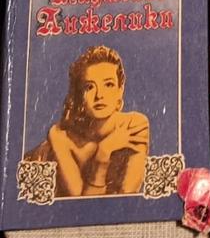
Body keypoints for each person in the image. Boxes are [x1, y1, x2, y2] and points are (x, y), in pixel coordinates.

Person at [26, 46, 149, 197]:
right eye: (89, 87)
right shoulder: (60, 136)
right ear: (80, 94)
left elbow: (128, 196)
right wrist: (103, 153)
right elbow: (83, 204)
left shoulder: (135, 125)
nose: (99, 95)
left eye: (108, 84)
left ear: (120, 90)